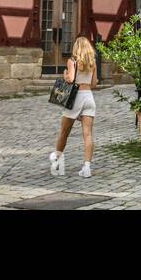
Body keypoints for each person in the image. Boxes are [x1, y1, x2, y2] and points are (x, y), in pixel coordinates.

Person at [51, 36, 99, 178]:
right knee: (88, 134)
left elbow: (71, 79)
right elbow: (94, 84)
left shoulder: (72, 61)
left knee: (64, 133)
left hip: (76, 97)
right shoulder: (93, 63)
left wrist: (65, 74)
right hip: (89, 97)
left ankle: (57, 163)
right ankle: (87, 168)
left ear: (76, 47)